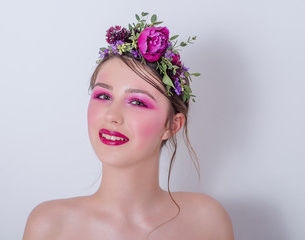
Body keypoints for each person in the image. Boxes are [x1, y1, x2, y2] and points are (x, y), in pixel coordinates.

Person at [23, 12, 234, 240]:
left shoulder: (207, 221)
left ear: (172, 125)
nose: (112, 115)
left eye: (137, 102)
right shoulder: (50, 226)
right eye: (103, 96)